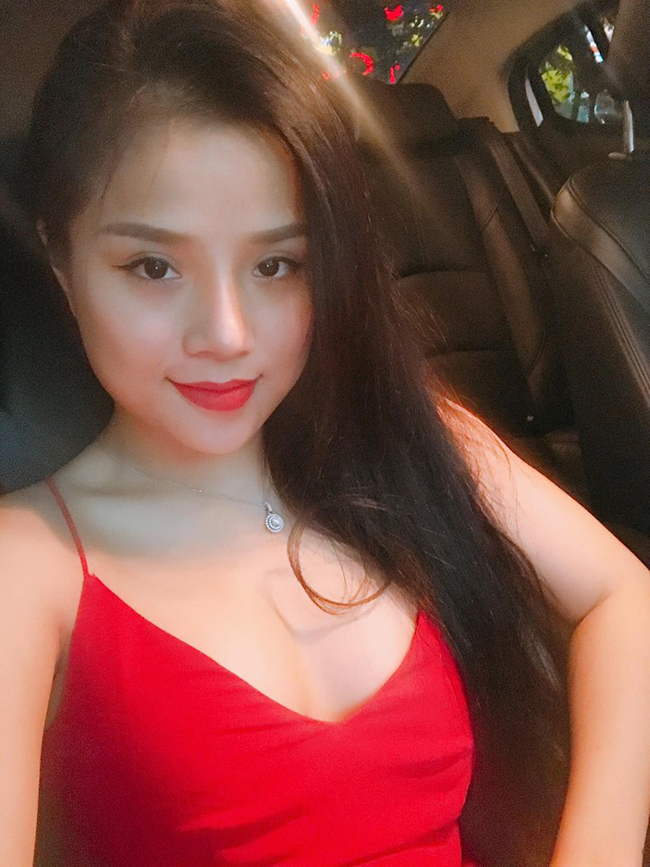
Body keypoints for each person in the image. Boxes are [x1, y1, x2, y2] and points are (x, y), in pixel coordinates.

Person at [1, 1, 650, 865]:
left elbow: (624, 595)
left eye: (276, 265)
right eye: (153, 267)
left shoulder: (396, 430)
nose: (227, 333)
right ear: (62, 262)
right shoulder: (28, 565)